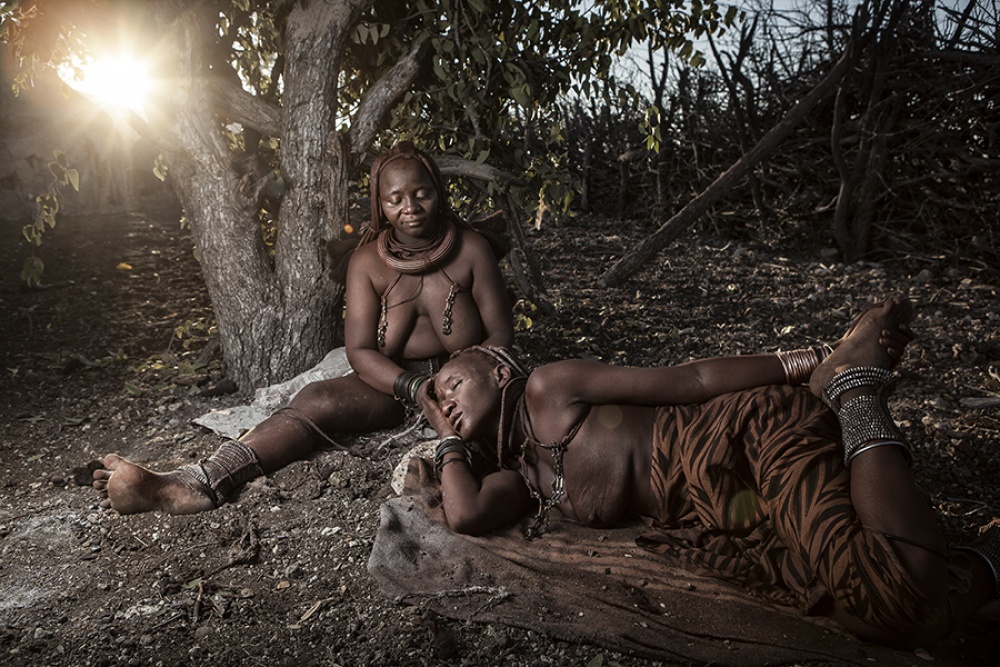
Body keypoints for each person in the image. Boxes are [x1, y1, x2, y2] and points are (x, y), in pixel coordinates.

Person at [416, 296, 998, 647]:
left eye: (452, 385)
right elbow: (465, 513)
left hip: (744, 438)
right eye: (440, 405)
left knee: (894, 595)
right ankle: (986, 565)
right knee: (877, 618)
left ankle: (853, 387)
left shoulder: (550, 388)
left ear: (498, 370)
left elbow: (691, 379)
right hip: (724, 514)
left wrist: (815, 359)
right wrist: (446, 437)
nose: (446, 403)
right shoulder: (524, 477)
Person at [93, 141, 515, 515]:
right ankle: (193, 482)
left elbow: (500, 336)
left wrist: (457, 384)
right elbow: (360, 351)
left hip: (465, 382)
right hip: (394, 383)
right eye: (396, 199)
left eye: (422, 194)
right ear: (380, 205)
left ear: (438, 192)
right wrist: (414, 387)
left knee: (512, 426)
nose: (411, 207)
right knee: (314, 399)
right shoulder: (367, 262)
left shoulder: (472, 249)